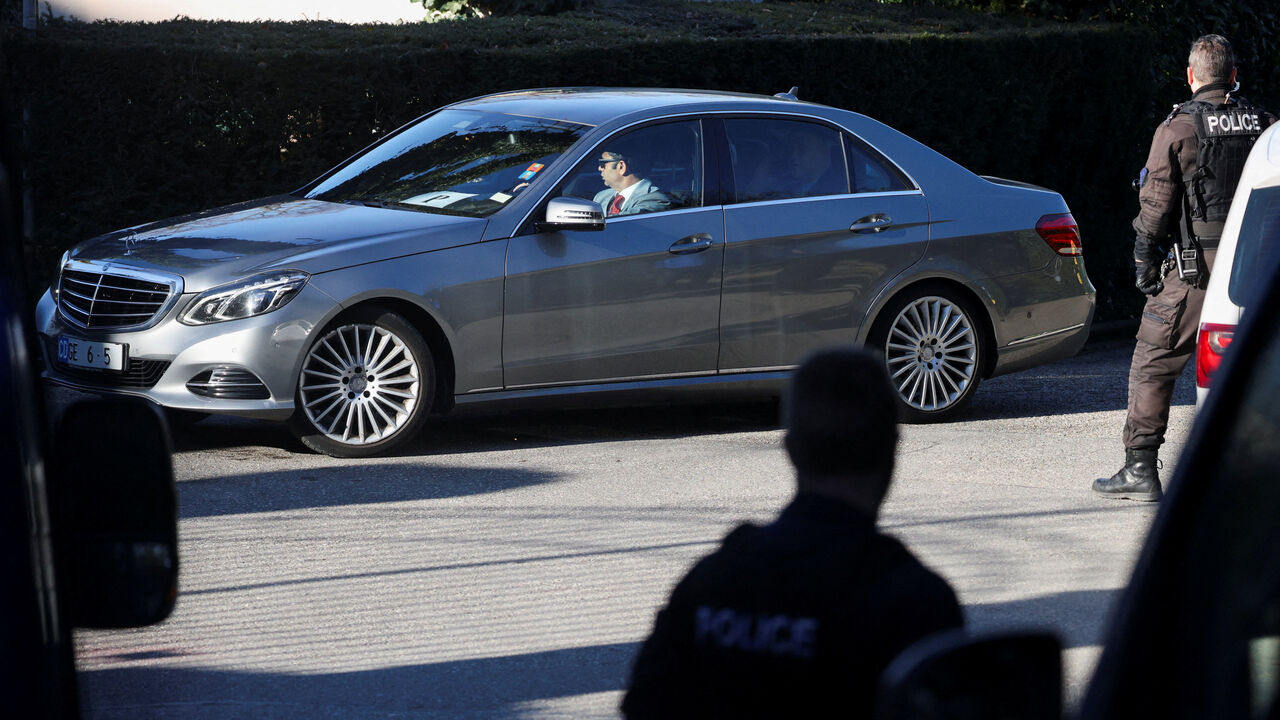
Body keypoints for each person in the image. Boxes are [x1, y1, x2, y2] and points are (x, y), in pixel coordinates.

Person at [621, 346, 964, 719]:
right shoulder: (916, 603)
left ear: (790, 449)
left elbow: (644, 705)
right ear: (892, 447)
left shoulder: (711, 584)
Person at [1095, 34, 1275, 502]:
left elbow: (1156, 206)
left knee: (1154, 359)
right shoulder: (1266, 124)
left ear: (1191, 76)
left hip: (1200, 271)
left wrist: (1144, 261)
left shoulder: (1177, 129)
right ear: (1233, 76)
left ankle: (1140, 467)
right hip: (1262, 267)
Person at [592, 150, 671, 216]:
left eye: (602, 164)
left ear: (621, 167)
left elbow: (620, 225)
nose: (599, 168)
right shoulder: (601, 197)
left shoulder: (655, 199)